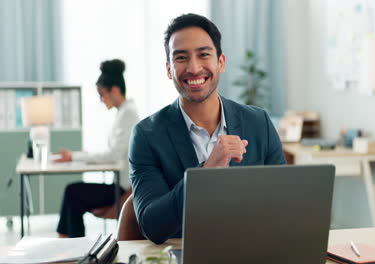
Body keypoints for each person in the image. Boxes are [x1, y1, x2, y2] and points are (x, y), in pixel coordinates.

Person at [129, 13, 286, 245]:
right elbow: (152, 225)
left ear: (221, 62)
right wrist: (204, 172)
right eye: (181, 58)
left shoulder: (258, 123)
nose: (194, 68)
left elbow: (284, 204)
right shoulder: (146, 135)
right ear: (169, 70)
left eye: (203, 55)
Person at [55, 59, 140, 238]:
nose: (101, 100)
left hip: (123, 189)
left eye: (102, 94)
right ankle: (66, 241)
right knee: (72, 192)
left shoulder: (128, 113)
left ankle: (72, 244)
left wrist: (74, 156)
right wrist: (79, 155)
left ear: (115, 90)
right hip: (118, 184)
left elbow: (114, 154)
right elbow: (116, 152)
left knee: (73, 193)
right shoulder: (124, 112)